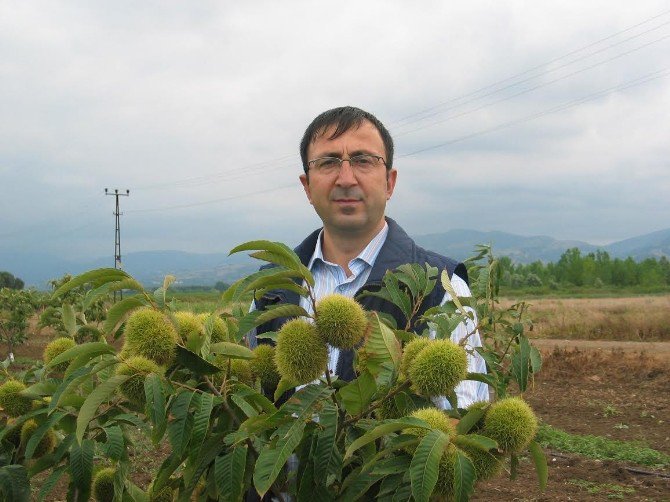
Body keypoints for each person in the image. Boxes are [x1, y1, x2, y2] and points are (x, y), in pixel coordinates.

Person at [248, 106, 488, 408]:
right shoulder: (271, 289)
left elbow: (456, 425)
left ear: (389, 182)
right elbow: (252, 408)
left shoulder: (440, 288)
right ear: (307, 187)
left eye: (363, 160)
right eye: (328, 162)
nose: (346, 178)